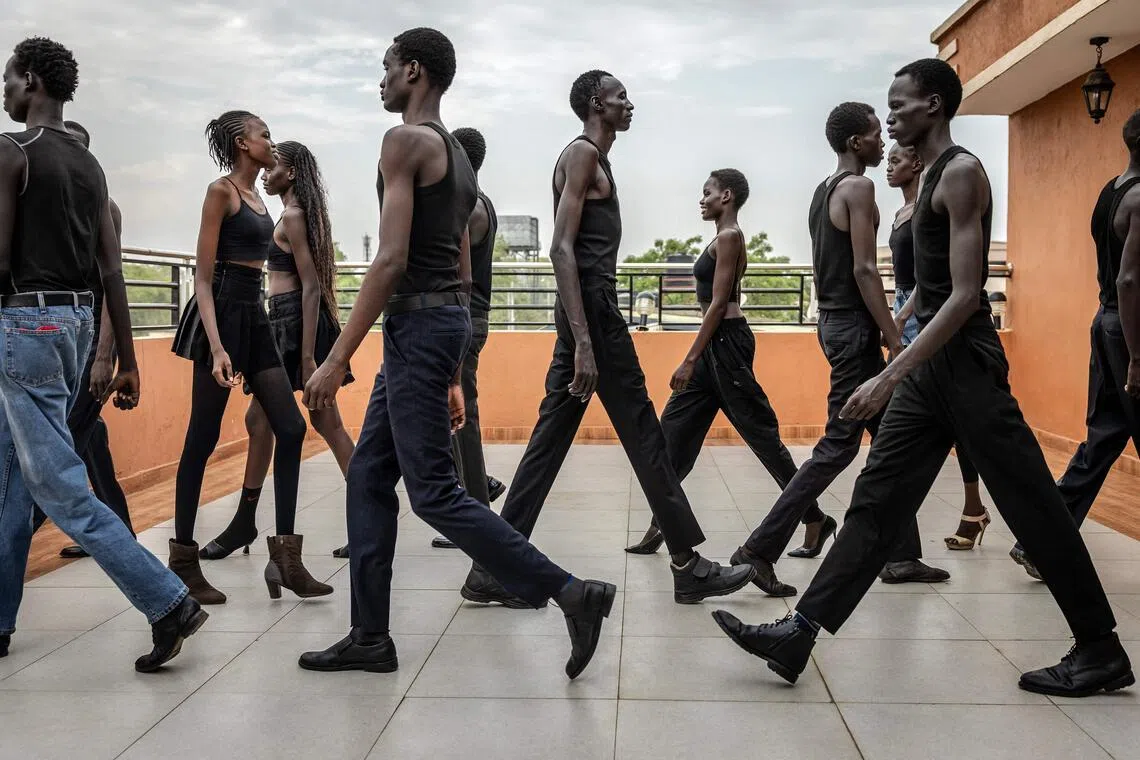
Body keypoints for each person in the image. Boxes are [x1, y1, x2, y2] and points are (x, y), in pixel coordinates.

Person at [711, 58, 1133, 699]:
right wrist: (903, 357)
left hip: (966, 367)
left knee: (1034, 506)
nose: (890, 117)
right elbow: (929, 292)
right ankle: (798, 632)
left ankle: (1100, 649)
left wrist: (888, 375)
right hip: (929, 371)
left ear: (934, 105)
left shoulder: (960, 173)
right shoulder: (928, 175)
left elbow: (965, 296)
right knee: (877, 500)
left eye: (900, 105)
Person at [298, 28, 615, 680]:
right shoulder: (458, 156)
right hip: (435, 328)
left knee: (435, 493)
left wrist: (335, 357)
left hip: (417, 328)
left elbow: (388, 260)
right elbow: (461, 273)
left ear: (413, 70)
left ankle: (570, 593)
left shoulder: (405, 141)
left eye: (386, 68)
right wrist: (451, 369)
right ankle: (368, 636)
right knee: (367, 477)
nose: (380, 80)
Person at [460, 70, 755, 609]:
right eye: (620, 96)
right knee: (645, 431)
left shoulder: (597, 160)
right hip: (591, 312)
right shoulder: (582, 156)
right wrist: (586, 341)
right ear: (597, 103)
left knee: (551, 440)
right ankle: (689, 566)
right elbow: (561, 250)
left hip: (587, 311)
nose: (629, 103)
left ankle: (491, 568)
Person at [0, 36, 204, 672]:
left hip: (25, 323)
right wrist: (128, 357)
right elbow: (112, 271)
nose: (4, 89)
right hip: (77, 325)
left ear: (32, 80)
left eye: (8, 78)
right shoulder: (91, 167)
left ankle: (167, 600)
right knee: (10, 480)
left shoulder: (11, 151)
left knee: (57, 485)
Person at [728, 103, 948, 595]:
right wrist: (894, 339)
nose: (882, 141)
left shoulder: (822, 191)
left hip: (833, 324)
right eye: (874, 134)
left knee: (893, 439)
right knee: (837, 446)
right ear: (855, 143)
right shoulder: (859, 187)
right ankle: (758, 551)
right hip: (855, 329)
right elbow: (866, 271)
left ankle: (903, 555)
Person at [623, 169, 820, 596]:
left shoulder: (730, 236)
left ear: (726, 196)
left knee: (763, 439)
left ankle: (815, 518)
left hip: (724, 347)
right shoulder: (719, 237)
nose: (702, 198)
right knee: (669, 438)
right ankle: (663, 524)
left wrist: (690, 358)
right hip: (713, 349)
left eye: (707, 192)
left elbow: (718, 303)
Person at [171, 111, 329, 604]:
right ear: (243, 143)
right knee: (202, 437)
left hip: (253, 315)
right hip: (218, 314)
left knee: (291, 426)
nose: (270, 142)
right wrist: (217, 347)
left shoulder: (262, 200)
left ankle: (285, 560)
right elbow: (201, 277)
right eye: (264, 135)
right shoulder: (221, 192)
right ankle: (183, 563)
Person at [197, 140, 356, 562]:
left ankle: (244, 525)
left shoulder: (291, 216)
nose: (267, 173)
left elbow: (309, 286)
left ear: (293, 174)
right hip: (292, 322)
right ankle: (246, 523)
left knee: (317, 425)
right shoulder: (297, 215)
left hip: (292, 324)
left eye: (275, 168)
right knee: (286, 422)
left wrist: (306, 357)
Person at [1010, 108, 1140, 579]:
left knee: (1103, 439)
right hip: (1129, 331)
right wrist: (1137, 357)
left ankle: (1040, 542)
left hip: (1104, 323)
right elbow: (1129, 281)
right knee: (1103, 439)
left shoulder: (1112, 191)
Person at [30, 119, 135, 559]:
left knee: (62, 443)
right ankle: (122, 531)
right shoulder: (44, 207)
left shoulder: (102, 207)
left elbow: (113, 285)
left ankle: (13, 538)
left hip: (89, 341)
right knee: (89, 438)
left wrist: (106, 356)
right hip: (57, 340)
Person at [886, 143, 991, 551]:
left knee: (955, 418)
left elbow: (937, 275)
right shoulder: (900, 214)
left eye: (896, 160)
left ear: (916, 163)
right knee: (926, 417)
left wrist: (902, 316)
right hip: (904, 307)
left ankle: (972, 507)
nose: (888, 168)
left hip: (925, 311)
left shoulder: (934, 205)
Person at [430, 126, 500, 551]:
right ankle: (476, 492)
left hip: (464, 319)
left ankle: (476, 513)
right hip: (471, 318)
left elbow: (458, 275)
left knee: (462, 416)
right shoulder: (480, 202)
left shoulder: (468, 207)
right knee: (452, 416)